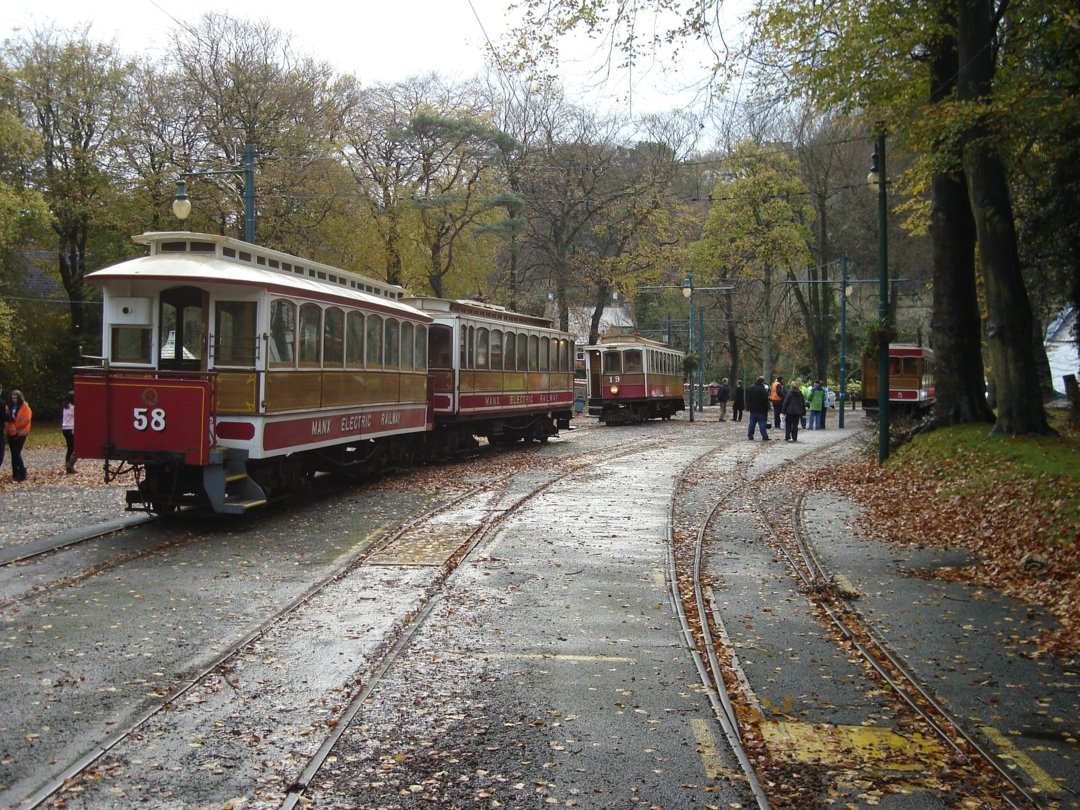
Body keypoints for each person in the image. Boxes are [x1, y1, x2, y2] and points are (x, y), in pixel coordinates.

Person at [6, 389, 32, 482]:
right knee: (13, 454)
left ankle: (22, 472)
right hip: (11, 432)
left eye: (16, 397)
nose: (14, 399)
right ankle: (15, 474)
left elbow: (26, 419)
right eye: (13, 397)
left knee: (17, 453)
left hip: (21, 432)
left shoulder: (25, 407)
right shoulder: (8, 406)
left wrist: (17, 428)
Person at [745, 376, 771, 441]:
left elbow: (747, 398)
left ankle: (750, 435)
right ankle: (764, 436)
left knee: (752, 423)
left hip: (753, 409)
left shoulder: (751, 388)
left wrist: (748, 406)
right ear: (762, 382)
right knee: (762, 423)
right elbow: (765, 400)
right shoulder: (762, 389)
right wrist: (767, 407)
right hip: (761, 409)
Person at [61, 390, 76, 473]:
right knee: (73, 448)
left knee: (69, 447)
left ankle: (68, 464)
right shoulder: (72, 407)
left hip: (65, 428)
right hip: (71, 428)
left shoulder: (65, 407)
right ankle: (69, 465)